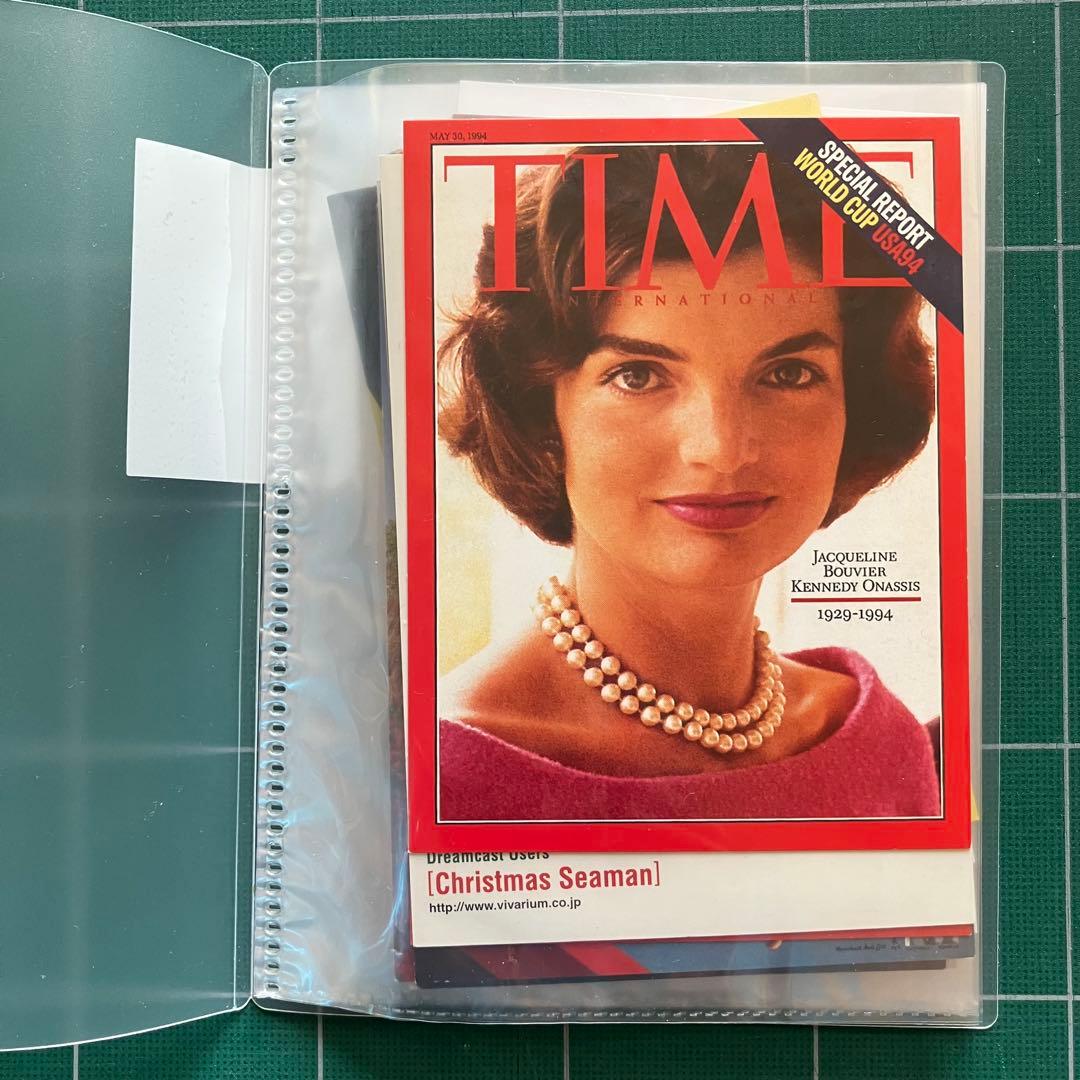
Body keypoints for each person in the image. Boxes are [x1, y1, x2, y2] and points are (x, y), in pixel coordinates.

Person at [435, 143, 940, 822]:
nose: (721, 449)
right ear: (539, 413)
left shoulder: (879, 741)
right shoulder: (446, 774)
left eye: (787, 374)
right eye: (638, 376)